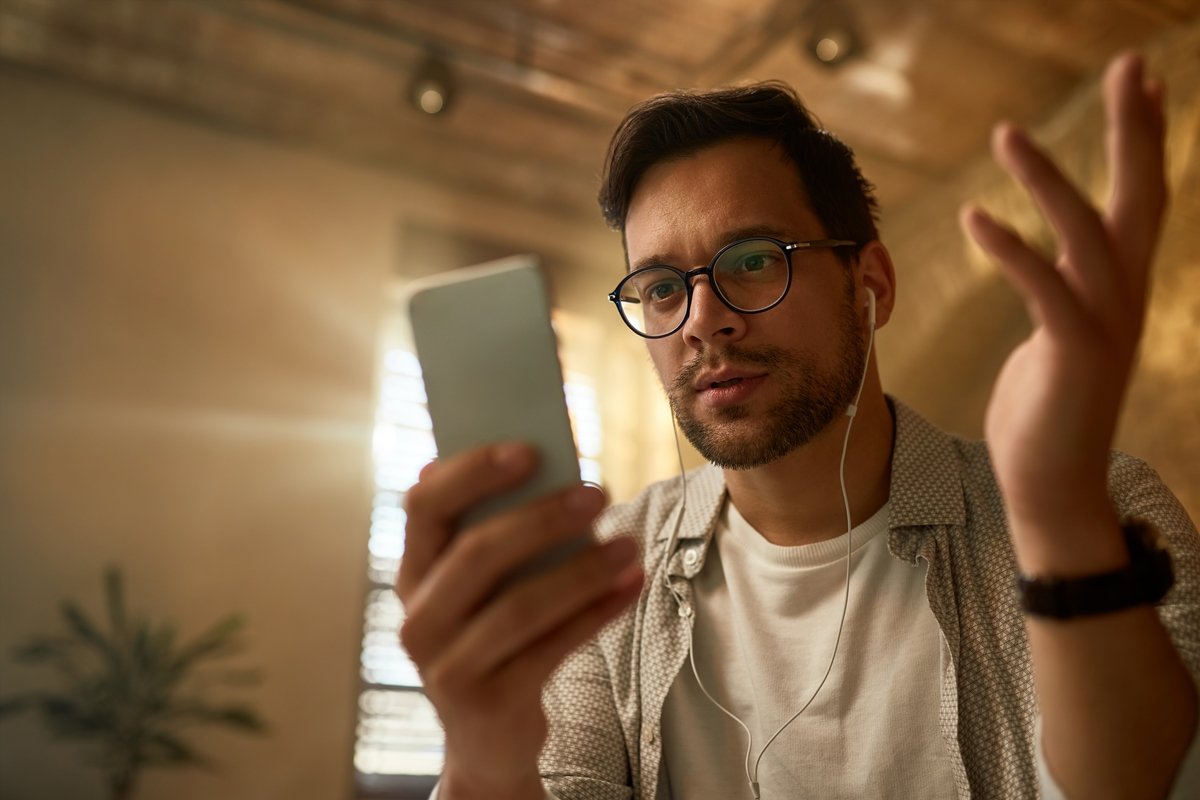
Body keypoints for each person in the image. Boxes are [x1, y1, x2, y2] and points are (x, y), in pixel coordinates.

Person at [398, 52, 1199, 799]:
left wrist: (1060, 513)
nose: (702, 322)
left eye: (752, 260)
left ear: (870, 286)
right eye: (662, 288)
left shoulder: (1102, 509)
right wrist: (485, 748)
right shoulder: (607, 575)